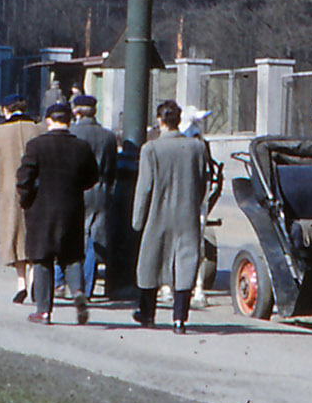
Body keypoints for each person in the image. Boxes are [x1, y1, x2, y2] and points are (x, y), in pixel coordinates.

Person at [131, 101, 213, 331]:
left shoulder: (150, 149)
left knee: (150, 264)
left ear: (159, 121)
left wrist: (137, 220)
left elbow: (144, 188)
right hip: (187, 214)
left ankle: (147, 314)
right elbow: (202, 182)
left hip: (158, 215)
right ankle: (179, 319)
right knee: (185, 264)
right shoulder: (197, 148)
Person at [15, 102, 99, 324]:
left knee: (42, 258)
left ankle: (43, 310)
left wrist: (26, 200)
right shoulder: (81, 147)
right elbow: (92, 177)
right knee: (71, 256)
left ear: (49, 120)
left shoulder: (36, 146)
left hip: (41, 209)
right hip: (71, 208)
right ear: (70, 121)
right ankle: (78, 291)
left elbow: (24, 178)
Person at [68, 93, 119, 302]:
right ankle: (86, 287)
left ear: (76, 111)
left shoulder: (71, 133)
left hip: (75, 190)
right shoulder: (108, 136)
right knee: (93, 240)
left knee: (73, 237)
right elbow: (112, 168)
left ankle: (68, 282)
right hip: (100, 190)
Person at [0, 96, 38, 303]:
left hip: (10, 190)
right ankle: (35, 280)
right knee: (33, 234)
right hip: (36, 189)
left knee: (14, 235)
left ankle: (21, 283)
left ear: (4, 110)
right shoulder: (38, 128)